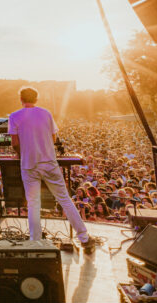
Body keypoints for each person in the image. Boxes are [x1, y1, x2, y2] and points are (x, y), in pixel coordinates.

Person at [8, 87, 94, 253]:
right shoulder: (46, 113)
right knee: (64, 199)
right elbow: (54, 137)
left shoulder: (14, 116)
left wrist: (24, 153)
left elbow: (15, 143)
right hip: (49, 162)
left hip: (29, 164)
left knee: (33, 203)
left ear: (20, 99)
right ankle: (84, 238)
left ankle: (35, 243)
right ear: (37, 98)